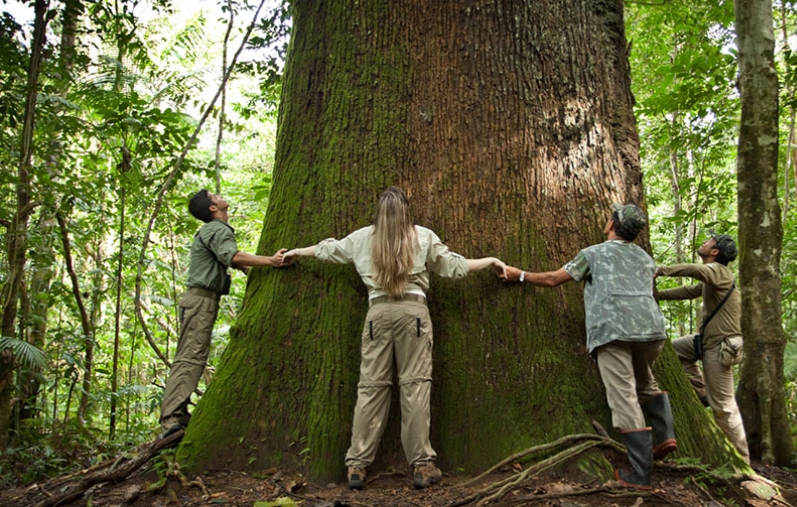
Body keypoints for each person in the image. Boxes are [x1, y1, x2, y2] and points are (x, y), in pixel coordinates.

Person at [281, 186, 505, 491]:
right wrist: (490, 260)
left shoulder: (362, 238)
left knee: (371, 388)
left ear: (378, 212)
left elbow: (328, 249)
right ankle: (422, 466)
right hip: (412, 314)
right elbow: (453, 267)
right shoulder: (423, 236)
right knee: (414, 387)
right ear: (406, 211)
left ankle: (357, 466)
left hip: (377, 315)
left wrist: (297, 251)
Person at [500, 204, 675, 489]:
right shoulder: (645, 258)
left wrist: (519, 275)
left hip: (614, 331)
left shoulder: (593, 253)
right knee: (645, 381)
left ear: (611, 224)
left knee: (624, 397)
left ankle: (640, 474)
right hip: (651, 330)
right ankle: (665, 436)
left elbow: (553, 279)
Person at [159, 190, 288, 438]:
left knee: (191, 354)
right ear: (212, 208)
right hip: (200, 301)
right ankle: (171, 420)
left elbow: (233, 261)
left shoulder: (211, 232)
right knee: (191, 356)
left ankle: (179, 414)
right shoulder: (218, 229)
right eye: (214, 195)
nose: (219, 195)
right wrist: (272, 261)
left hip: (198, 300)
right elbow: (232, 256)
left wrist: (251, 267)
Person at [655, 230, 749, 460]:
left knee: (724, 406)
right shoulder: (714, 278)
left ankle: (742, 461)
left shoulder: (718, 271)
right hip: (706, 341)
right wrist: (656, 295)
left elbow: (696, 271)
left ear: (714, 252)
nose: (705, 242)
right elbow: (690, 291)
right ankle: (701, 392)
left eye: (709, 242)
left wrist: (660, 270)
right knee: (675, 349)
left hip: (720, 346)